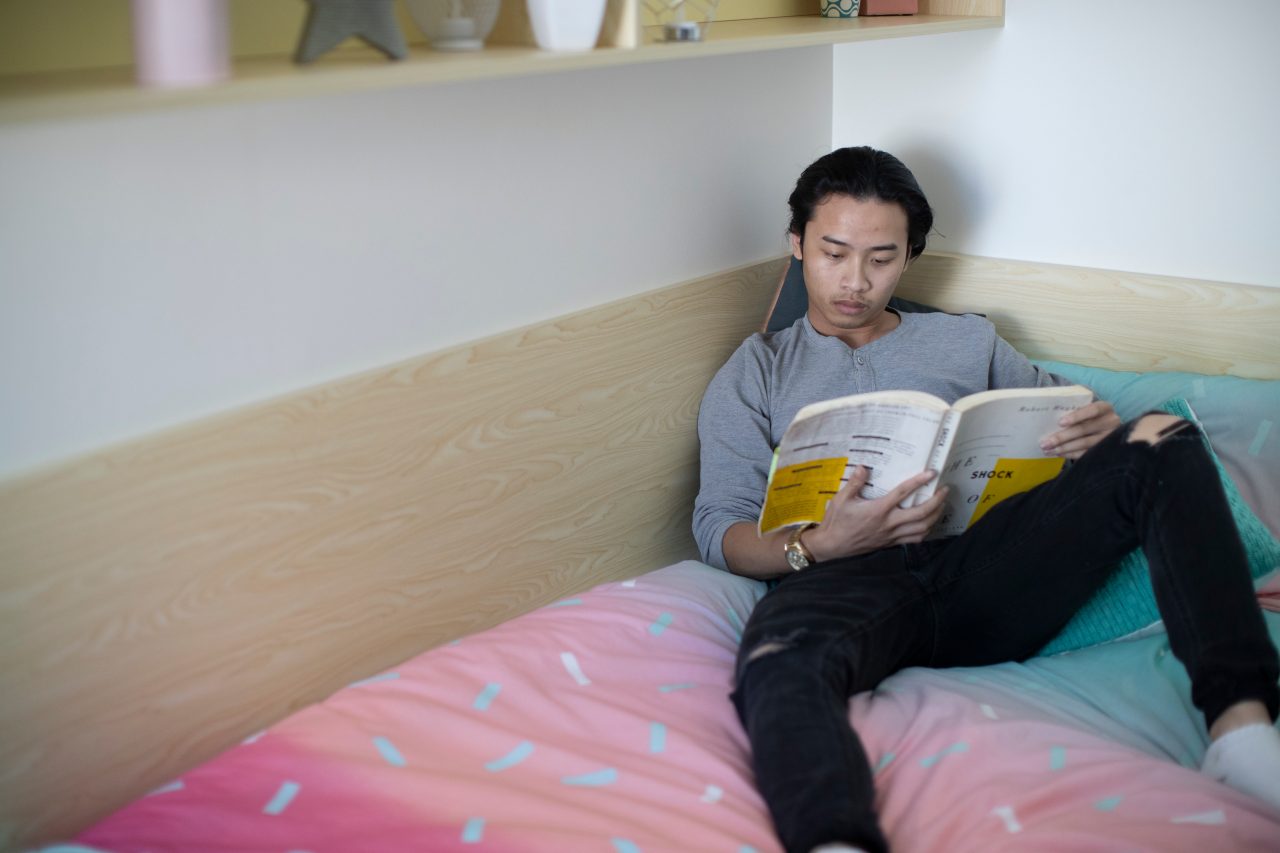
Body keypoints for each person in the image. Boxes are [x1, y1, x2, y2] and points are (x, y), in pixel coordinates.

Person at [692, 146, 1280, 853]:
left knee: (1160, 435)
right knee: (776, 657)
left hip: (985, 567)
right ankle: (833, 837)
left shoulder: (968, 339)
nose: (855, 281)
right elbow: (717, 526)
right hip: (842, 584)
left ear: (910, 254)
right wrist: (817, 544)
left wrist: (1095, 427)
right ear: (797, 244)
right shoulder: (755, 371)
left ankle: (1242, 731)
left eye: (881, 258)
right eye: (833, 253)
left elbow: (1055, 413)